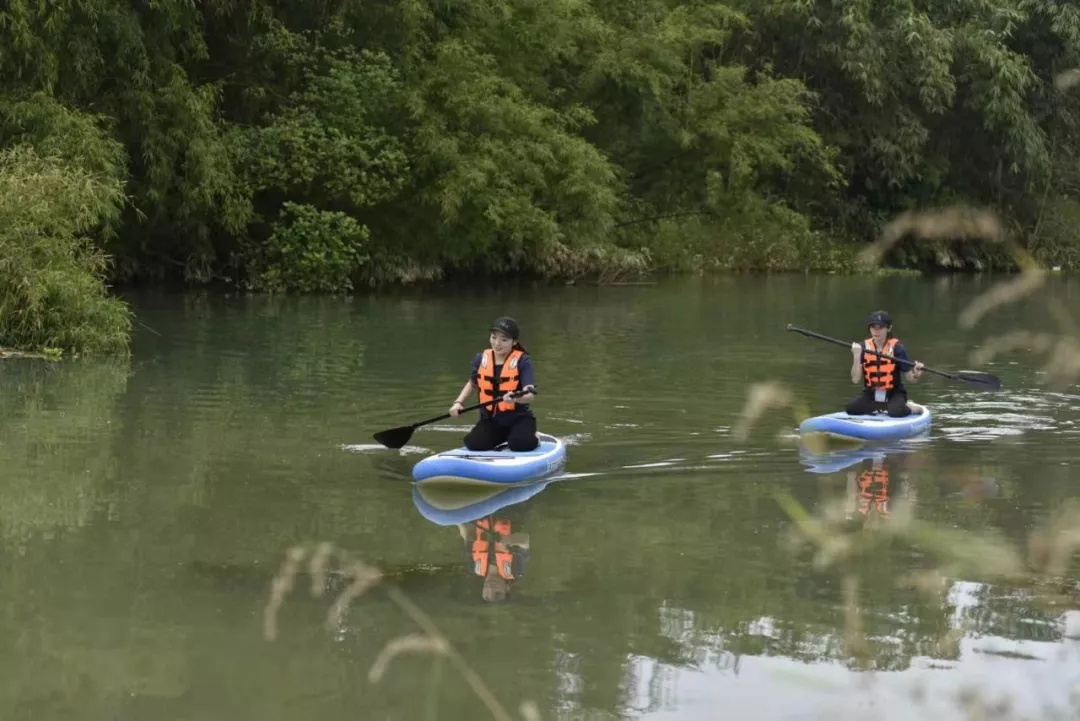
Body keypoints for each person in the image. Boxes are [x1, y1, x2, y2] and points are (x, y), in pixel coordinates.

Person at [448, 316, 538, 451]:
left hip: (518, 419)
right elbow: (473, 383)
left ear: (514, 342)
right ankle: (504, 437)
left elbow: (530, 393)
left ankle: (533, 435)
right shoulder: (481, 359)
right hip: (491, 420)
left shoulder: (523, 361)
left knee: (521, 444)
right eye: (494, 337)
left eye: (504, 340)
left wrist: (516, 397)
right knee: (474, 444)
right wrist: (458, 403)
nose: (497, 343)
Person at [847, 310, 925, 417]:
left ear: (889, 328)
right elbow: (855, 380)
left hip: (894, 394)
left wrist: (916, 373)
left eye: (881, 327)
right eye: (873, 327)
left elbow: (910, 378)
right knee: (851, 408)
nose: (876, 331)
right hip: (871, 394)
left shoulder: (898, 349)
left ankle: (910, 408)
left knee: (896, 412)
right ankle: (884, 407)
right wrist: (856, 356)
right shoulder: (863, 348)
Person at [457, 513, 531, 603]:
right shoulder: (515, 570)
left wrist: (457, 520)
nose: (490, 588)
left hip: (480, 514)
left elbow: (468, 534)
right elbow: (525, 539)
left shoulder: (474, 567)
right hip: (509, 512)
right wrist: (507, 540)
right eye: (497, 593)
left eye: (486, 594)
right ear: (507, 588)